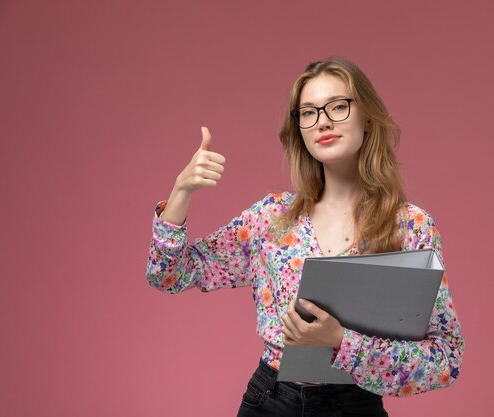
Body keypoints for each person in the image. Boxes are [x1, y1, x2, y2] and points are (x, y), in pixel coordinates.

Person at [146, 57, 464, 416]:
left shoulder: (411, 226)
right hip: (271, 402)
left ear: (368, 117)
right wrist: (181, 192)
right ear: (299, 129)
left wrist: (341, 342)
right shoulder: (271, 218)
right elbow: (169, 275)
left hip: (355, 405)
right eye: (308, 112)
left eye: (338, 106)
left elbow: (445, 360)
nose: (323, 121)